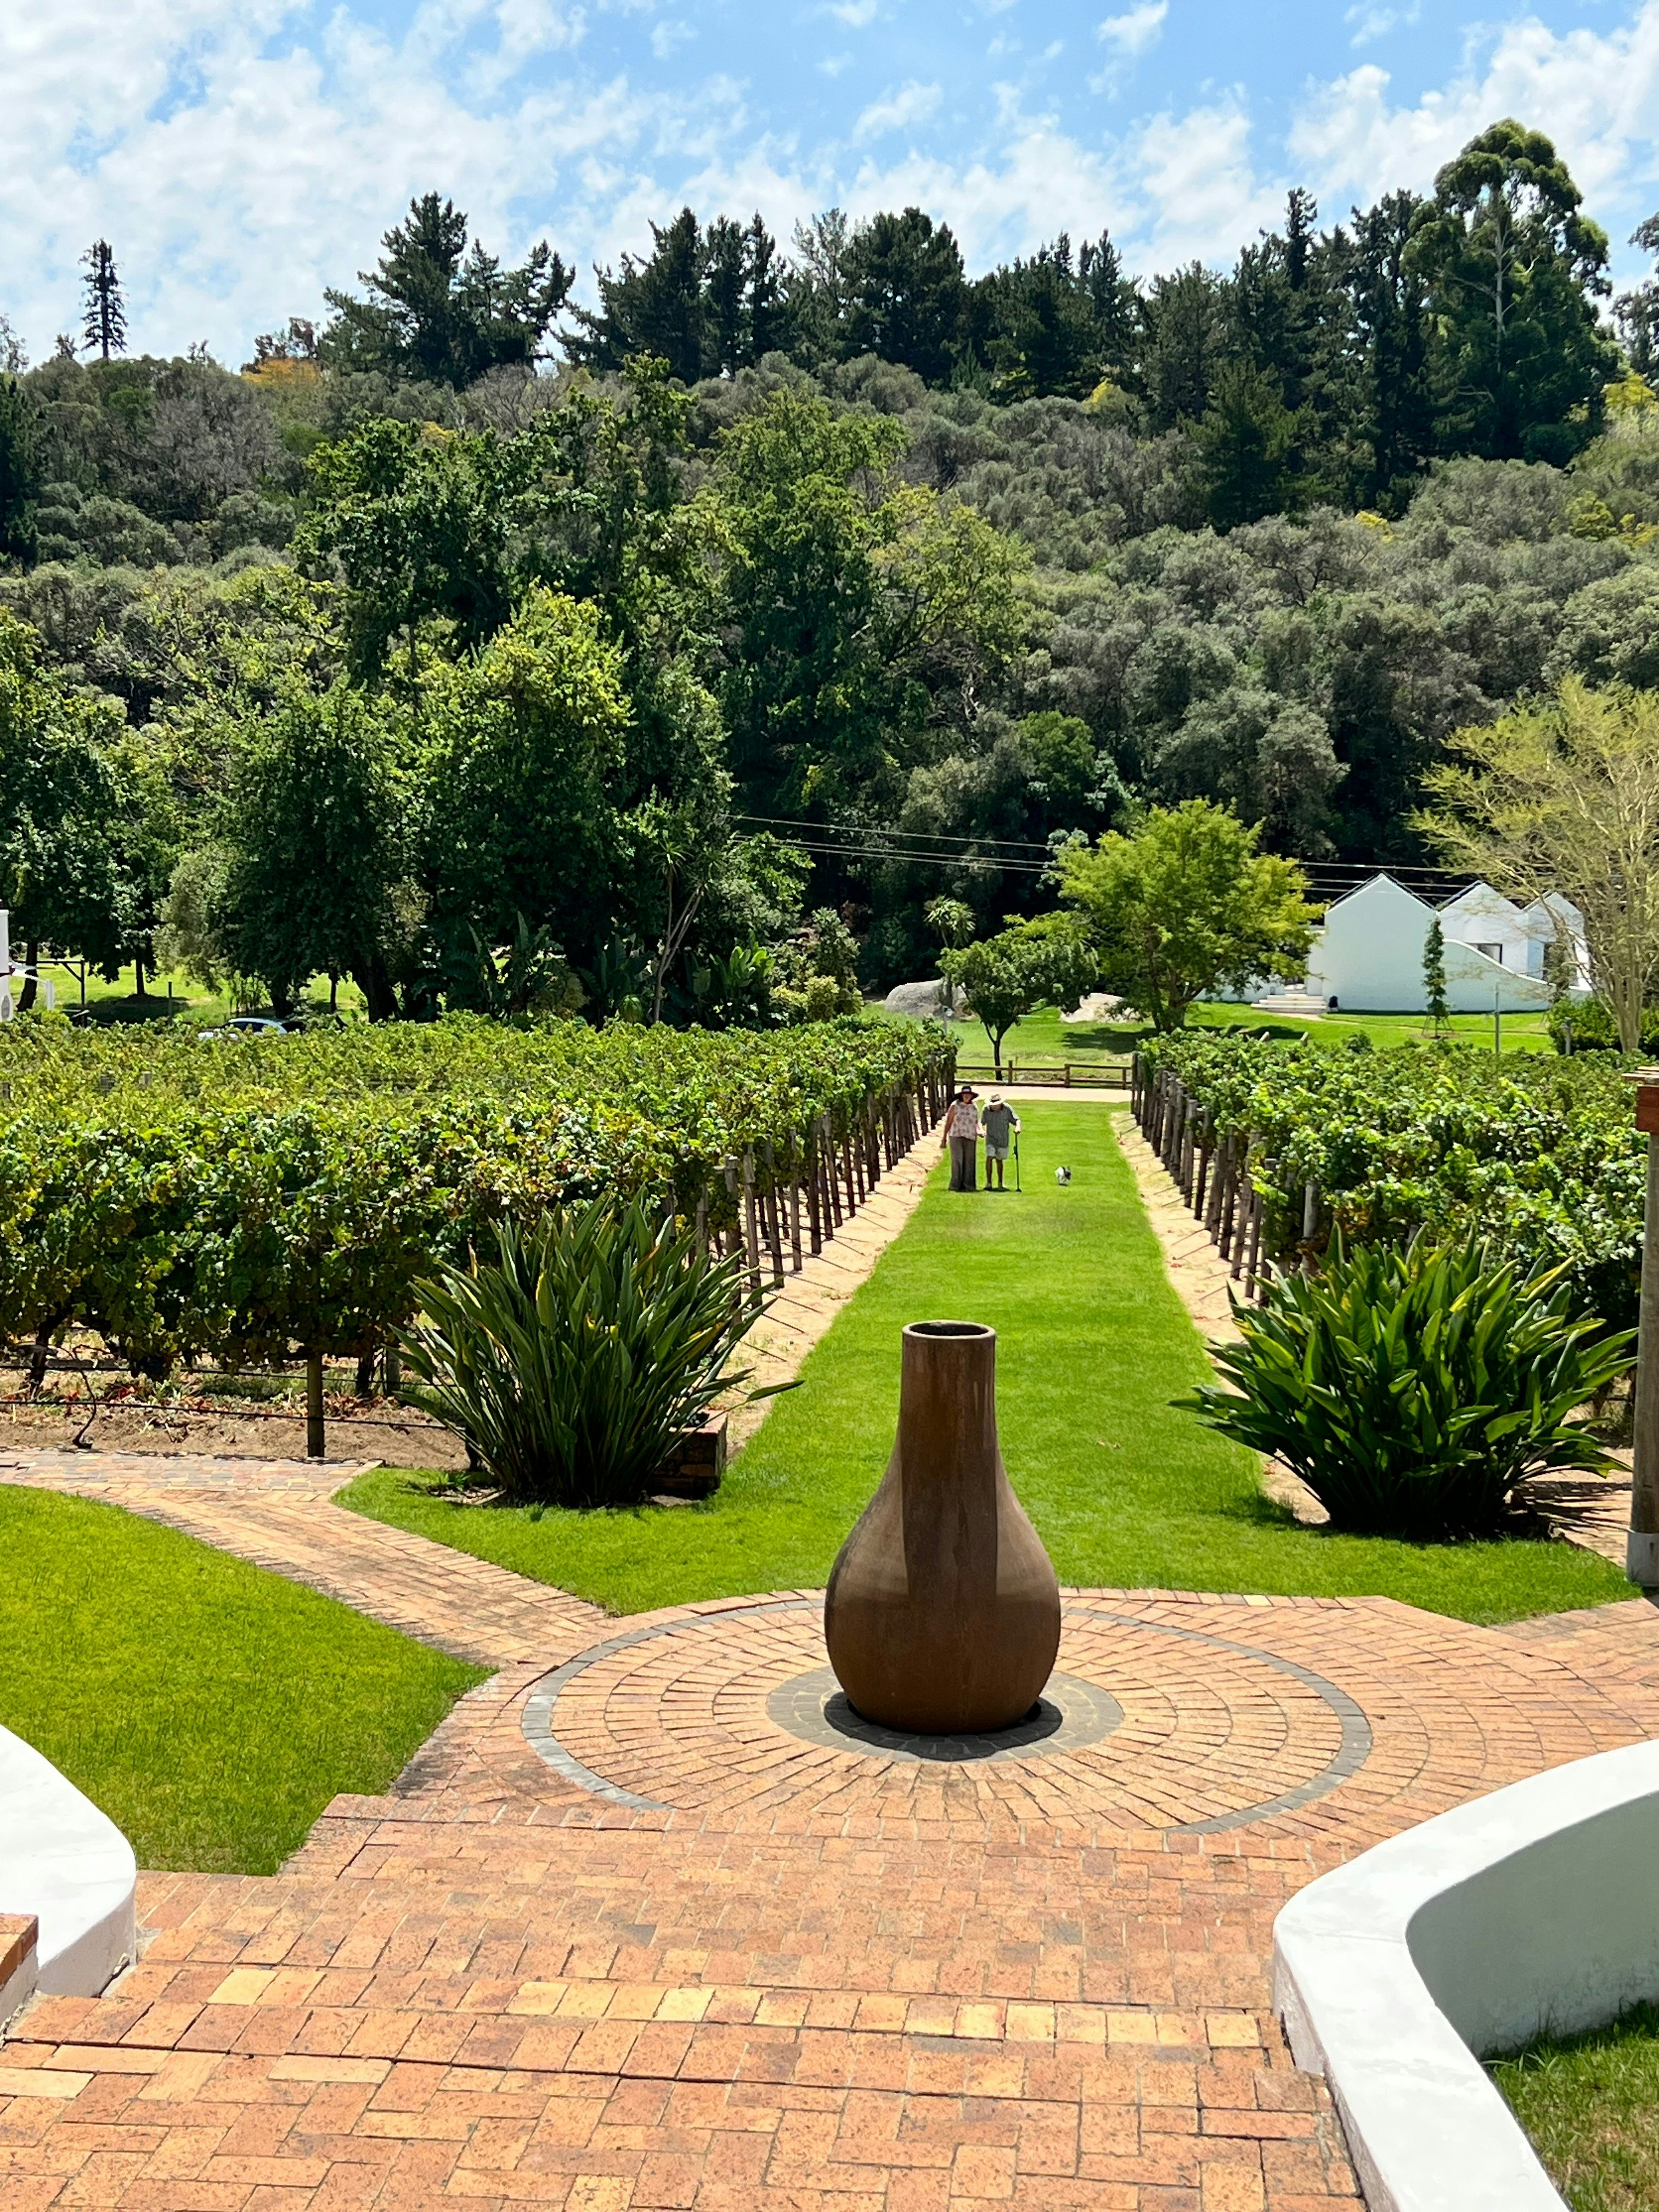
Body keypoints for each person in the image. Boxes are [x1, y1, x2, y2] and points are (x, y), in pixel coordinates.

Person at [941, 1085, 980, 1191]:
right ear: (962, 1095)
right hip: (956, 1135)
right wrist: (944, 1138)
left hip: (970, 1136)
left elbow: (976, 1122)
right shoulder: (955, 1106)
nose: (967, 1096)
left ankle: (969, 1185)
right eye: (965, 1095)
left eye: (969, 1095)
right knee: (957, 1160)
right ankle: (956, 1185)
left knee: (970, 1161)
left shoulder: (974, 1107)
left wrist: (980, 1131)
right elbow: (949, 1122)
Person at [980, 1091, 1021, 1190]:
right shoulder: (986, 1109)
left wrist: (1018, 1128)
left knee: (999, 1160)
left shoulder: (1007, 1109)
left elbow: (1017, 1120)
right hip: (991, 1139)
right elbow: (981, 1122)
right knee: (990, 1157)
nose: (995, 1107)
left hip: (1003, 1139)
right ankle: (989, 1183)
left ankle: (1000, 1184)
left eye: (997, 1105)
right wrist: (981, 1131)